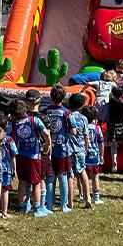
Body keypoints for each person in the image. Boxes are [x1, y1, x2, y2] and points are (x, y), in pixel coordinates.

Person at [7, 98, 51, 217]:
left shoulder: (12, 124)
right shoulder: (34, 120)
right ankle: (36, 209)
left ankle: (23, 207)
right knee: (36, 183)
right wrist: (48, 144)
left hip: (20, 155)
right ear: (24, 108)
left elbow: (7, 136)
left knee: (22, 181)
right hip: (34, 156)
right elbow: (46, 133)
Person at [44, 84, 77, 213]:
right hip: (62, 148)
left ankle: (49, 205)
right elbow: (73, 131)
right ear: (64, 97)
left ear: (51, 96)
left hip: (48, 148)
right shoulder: (67, 113)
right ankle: (63, 205)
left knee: (50, 176)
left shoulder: (45, 111)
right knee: (63, 175)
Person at [23, 90, 54, 215]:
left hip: (25, 151)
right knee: (41, 178)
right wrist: (49, 149)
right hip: (41, 151)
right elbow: (48, 136)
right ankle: (41, 205)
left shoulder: (23, 117)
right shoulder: (44, 118)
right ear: (40, 101)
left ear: (26, 102)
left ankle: (26, 204)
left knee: (26, 179)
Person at [0, 112, 17, 219]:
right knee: (5, 190)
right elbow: (13, 155)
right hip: (6, 168)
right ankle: (4, 212)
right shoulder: (9, 139)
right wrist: (14, 168)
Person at [67, 93, 91, 208]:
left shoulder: (67, 116)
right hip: (80, 148)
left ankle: (70, 201)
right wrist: (86, 148)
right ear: (82, 106)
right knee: (83, 172)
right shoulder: (83, 118)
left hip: (69, 149)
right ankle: (88, 197)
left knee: (70, 175)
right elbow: (86, 136)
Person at [82, 105, 105, 204]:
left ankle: (85, 196)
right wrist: (101, 155)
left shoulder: (82, 126)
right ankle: (96, 197)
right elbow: (101, 142)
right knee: (95, 177)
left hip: (84, 156)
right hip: (94, 155)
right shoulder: (97, 128)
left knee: (84, 177)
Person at [107, 86, 123, 173]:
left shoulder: (111, 101)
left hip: (112, 124)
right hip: (121, 124)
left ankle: (114, 160)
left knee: (113, 145)